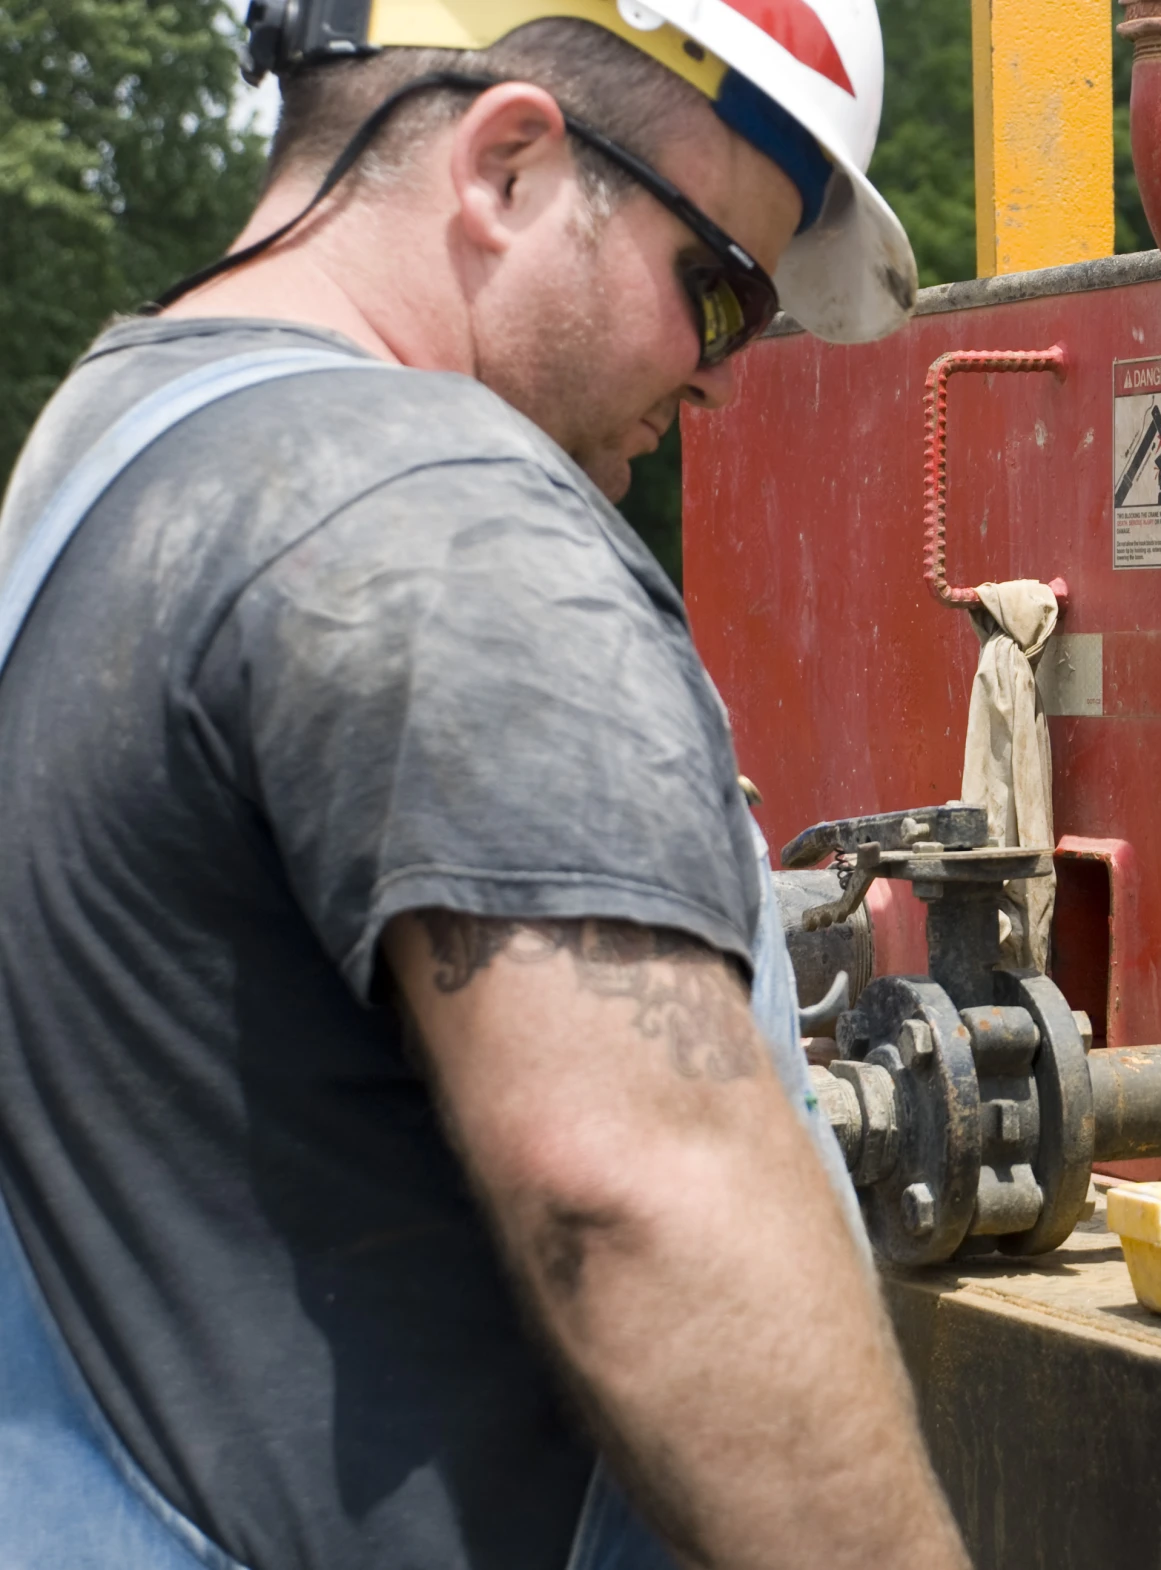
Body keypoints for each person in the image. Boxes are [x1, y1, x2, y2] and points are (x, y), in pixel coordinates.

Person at [0, 0, 968, 1565]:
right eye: (719, 295)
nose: (721, 383)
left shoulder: (113, 447)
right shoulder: (444, 522)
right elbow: (638, 1190)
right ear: (510, 166)